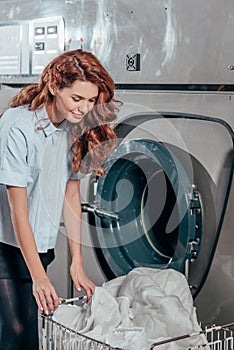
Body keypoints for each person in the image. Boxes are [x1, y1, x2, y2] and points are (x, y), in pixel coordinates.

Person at [0, 49, 119, 350]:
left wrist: (77, 262)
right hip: (5, 248)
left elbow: (71, 194)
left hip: (39, 247)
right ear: (54, 87)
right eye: (76, 99)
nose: (83, 108)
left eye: (91, 101)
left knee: (29, 335)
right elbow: (18, 209)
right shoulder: (17, 126)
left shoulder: (72, 127)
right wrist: (40, 277)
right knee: (12, 331)